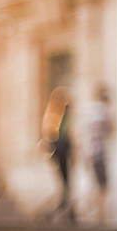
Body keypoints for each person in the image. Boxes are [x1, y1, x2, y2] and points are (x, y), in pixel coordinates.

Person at [41, 86, 75, 223]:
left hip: (63, 153)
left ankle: (69, 213)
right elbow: (50, 134)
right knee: (64, 185)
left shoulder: (62, 115)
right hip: (60, 152)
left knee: (66, 185)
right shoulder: (55, 115)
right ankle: (64, 213)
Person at [84, 84, 114, 224]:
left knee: (96, 185)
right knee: (103, 186)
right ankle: (99, 216)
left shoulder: (89, 111)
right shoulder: (102, 111)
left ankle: (96, 213)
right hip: (99, 153)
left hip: (89, 153)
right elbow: (111, 128)